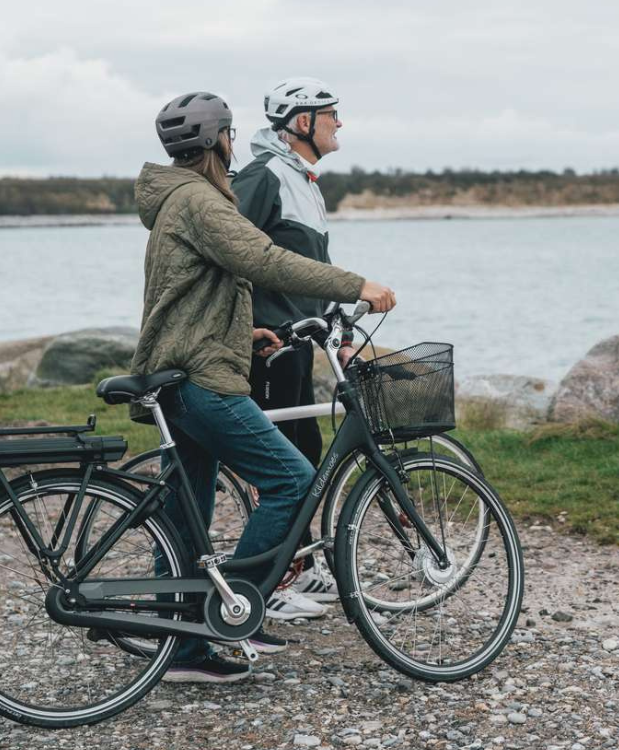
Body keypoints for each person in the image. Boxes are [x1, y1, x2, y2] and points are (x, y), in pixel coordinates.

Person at [132, 91, 396, 683]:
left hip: (182, 367)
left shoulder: (179, 200)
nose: (235, 142)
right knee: (293, 480)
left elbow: (192, 290)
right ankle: (227, 608)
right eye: (230, 133)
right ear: (217, 141)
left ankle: (182, 648)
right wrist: (356, 285)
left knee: (185, 514)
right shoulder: (199, 201)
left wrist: (242, 331)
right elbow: (265, 259)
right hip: (201, 377)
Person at [230, 77, 348, 617]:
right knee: (282, 464)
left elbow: (314, 267)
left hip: (299, 342)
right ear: (303, 122)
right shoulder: (263, 176)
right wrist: (247, 327)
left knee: (307, 450)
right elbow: (230, 254)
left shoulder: (302, 179)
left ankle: (298, 563)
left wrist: (341, 331)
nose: (339, 123)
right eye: (331, 114)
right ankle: (268, 583)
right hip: (269, 345)